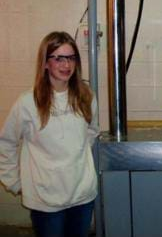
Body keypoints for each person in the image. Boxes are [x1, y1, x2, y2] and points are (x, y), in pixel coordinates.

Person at [0, 31, 99, 237]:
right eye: (58, 58)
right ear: (45, 63)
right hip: (45, 201)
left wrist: (76, 159)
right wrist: (15, 182)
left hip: (82, 196)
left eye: (71, 58)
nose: (66, 65)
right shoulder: (28, 102)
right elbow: (6, 143)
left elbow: (91, 132)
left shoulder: (86, 96)